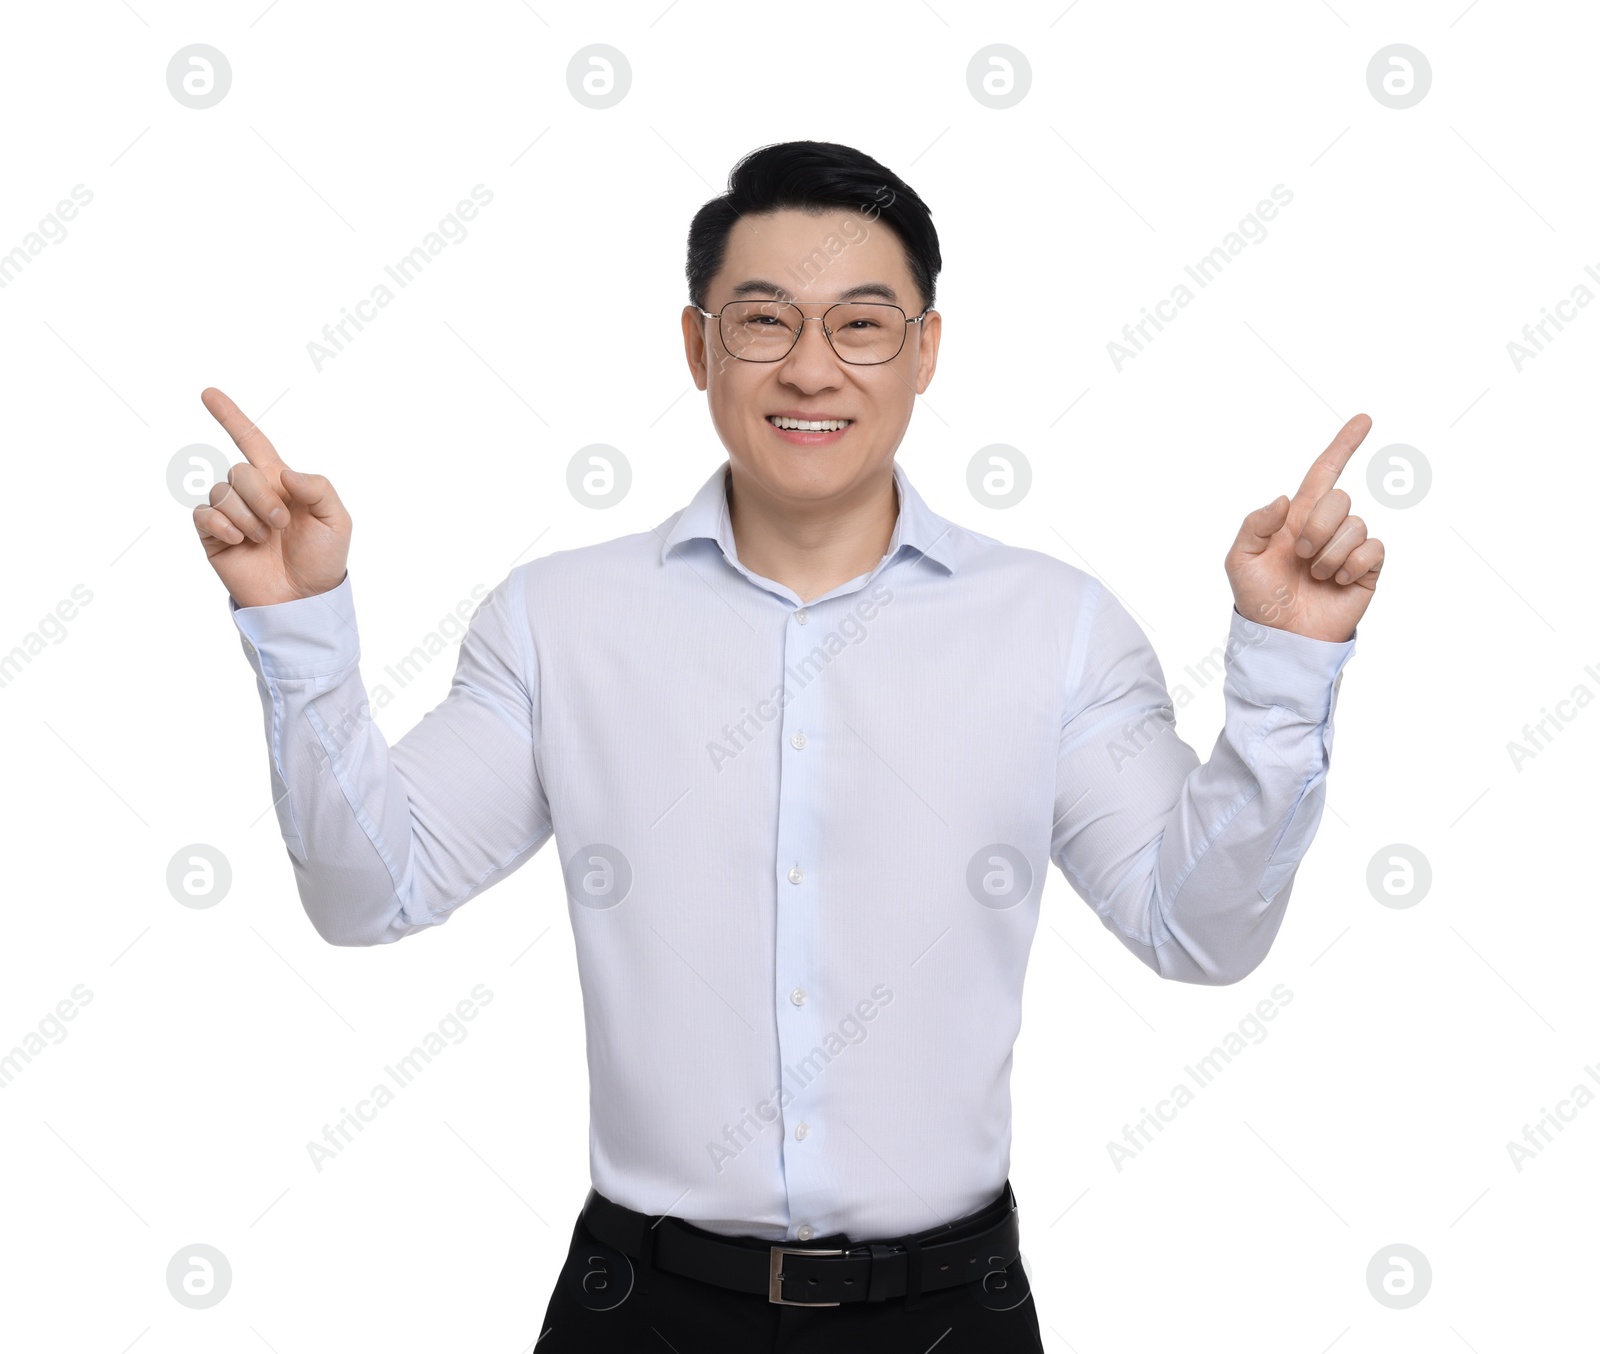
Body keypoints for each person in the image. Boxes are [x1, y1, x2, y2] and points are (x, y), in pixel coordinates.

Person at [194, 140, 1383, 1352]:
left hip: (946, 1314)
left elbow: (1197, 930)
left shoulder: (1054, 628)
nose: (811, 367)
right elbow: (369, 892)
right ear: (698, 347)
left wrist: (1283, 673)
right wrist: (298, 630)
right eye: (763, 320)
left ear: (925, 350)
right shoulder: (561, 621)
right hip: (643, 1310)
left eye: (862, 324)